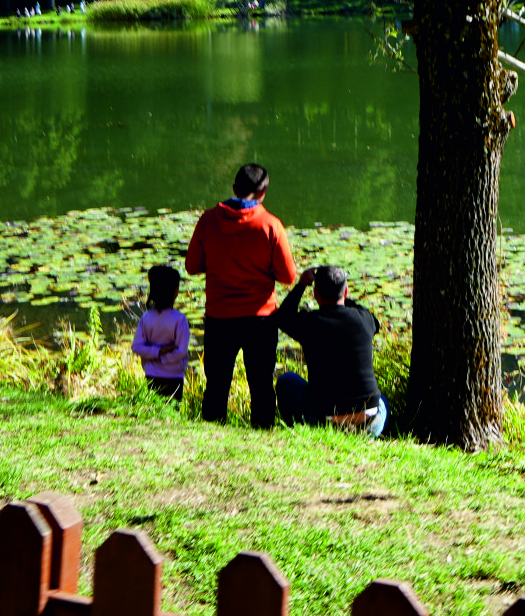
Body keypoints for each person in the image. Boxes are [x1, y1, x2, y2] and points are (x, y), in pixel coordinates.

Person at [184, 163, 297, 428]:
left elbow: (192, 266)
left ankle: (212, 430)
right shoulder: (270, 225)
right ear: (264, 191)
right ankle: (263, 432)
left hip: (219, 316)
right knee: (261, 383)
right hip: (260, 319)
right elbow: (288, 276)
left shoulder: (209, 220)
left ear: (234, 189)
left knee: (217, 383)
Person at [273, 263, 386, 437]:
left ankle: (312, 428)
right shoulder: (365, 319)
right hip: (370, 424)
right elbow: (373, 320)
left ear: (315, 294)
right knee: (381, 400)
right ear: (346, 292)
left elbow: (282, 317)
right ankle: (362, 433)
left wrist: (302, 284)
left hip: (324, 419)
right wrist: (340, 294)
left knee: (286, 381)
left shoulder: (310, 324)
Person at [130, 264, 190, 402]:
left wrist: (156, 354)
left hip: (151, 373)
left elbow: (137, 347)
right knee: (172, 412)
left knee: (155, 409)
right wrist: (162, 354)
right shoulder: (180, 319)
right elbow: (181, 351)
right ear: (175, 291)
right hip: (174, 375)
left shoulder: (146, 317)